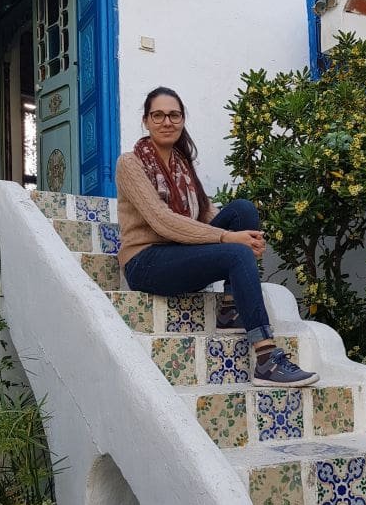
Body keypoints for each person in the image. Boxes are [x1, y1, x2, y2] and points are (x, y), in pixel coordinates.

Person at [115, 87, 319, 387]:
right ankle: (265, 359)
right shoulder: (130, 163)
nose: (166, 121)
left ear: (183, 120)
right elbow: (162, 221)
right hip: (146, 263)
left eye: (174, 115)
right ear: (146, 121)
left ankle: (230, 308)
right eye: (158, 115)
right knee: (235, 250)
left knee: (242, 211)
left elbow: (206, 214)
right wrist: (228, 239)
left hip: (181, 254)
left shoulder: (182, 165)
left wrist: (244, 236)